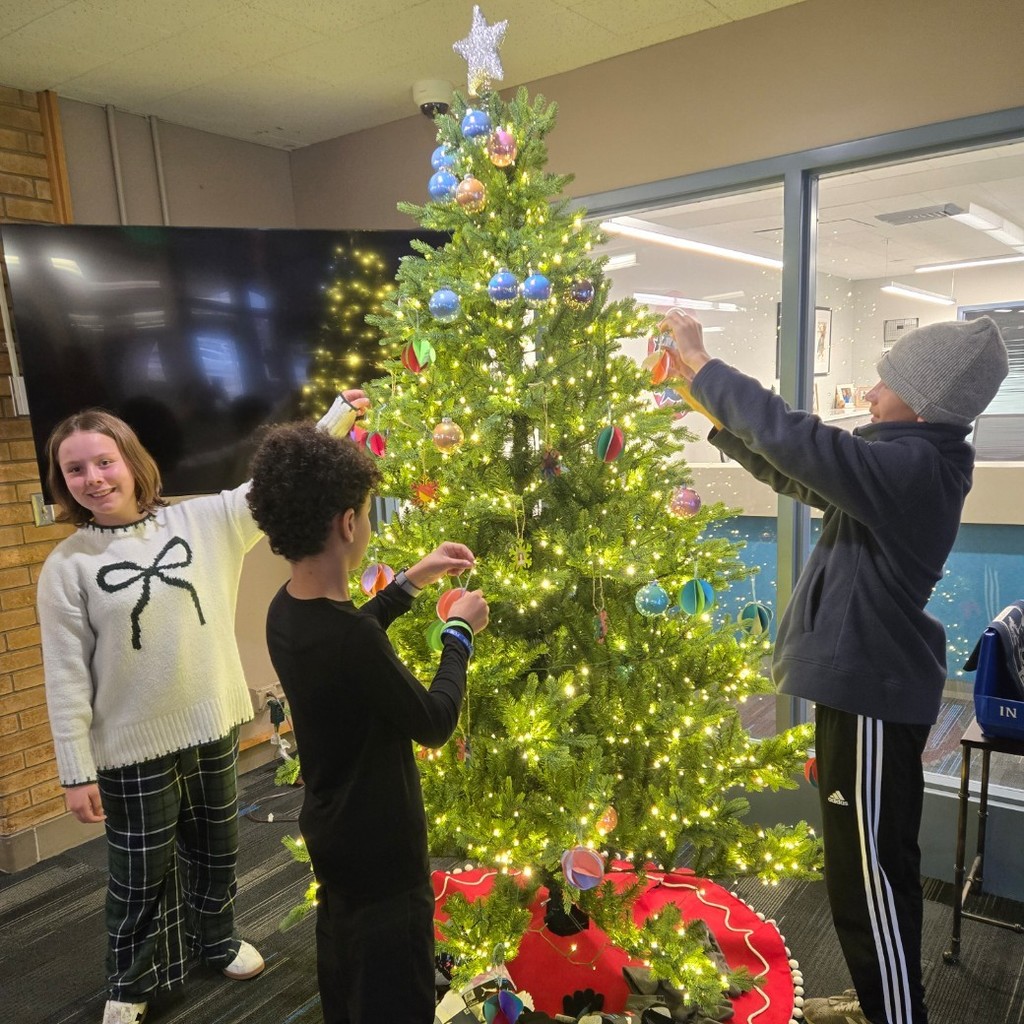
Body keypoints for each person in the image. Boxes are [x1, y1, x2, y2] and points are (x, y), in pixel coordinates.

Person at [657, 310, 1008, 1024]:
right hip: (869, 692)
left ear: (925, 401)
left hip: (874, 695)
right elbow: (805, 476)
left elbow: (804, 442)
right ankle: (885, 998)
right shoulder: (905, 467)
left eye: (888, 380)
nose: (871, 391)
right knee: (873, 871)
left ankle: (893, 1013)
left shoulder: (911, 467)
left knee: (867, 880)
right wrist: (711, 412)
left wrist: (704, 362)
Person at [37, 393, 368, 1024]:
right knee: (139, 874)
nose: (94, 479)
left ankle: (214, 938)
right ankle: (131, 981)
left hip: (213, 723)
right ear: (63, 482)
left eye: (104, 462)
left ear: (132, 463)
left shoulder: (203, 521)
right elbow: (65, 676)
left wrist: (339, 416)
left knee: (217, 850)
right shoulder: (66, 567)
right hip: (129, 747)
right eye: (75, 470)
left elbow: (273, 481)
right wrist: (75, 769)